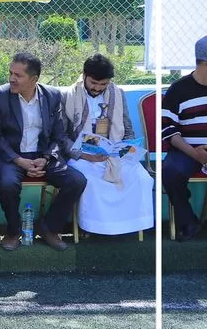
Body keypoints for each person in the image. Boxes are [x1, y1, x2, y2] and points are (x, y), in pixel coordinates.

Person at [0, 52, 86, 251]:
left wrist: (46, 158)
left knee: (76, 181)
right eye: (10, 73)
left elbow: (59, 135)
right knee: (7, 184)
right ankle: (14, 231)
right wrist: (18, 160)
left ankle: (49, 227)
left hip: (42, 155)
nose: (11, 79)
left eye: (18, 75)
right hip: (10, 156)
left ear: (34, 79)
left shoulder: (52, 96)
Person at [63, 54, 154, 236]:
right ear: (84, 76)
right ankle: (91, 227)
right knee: (91, 181)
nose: (97, 88)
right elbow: (62, 136)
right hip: (82, 155)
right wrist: (84, 155)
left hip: (113, 152)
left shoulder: (117, 94)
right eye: (93, 83)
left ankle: (130, 225)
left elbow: (127, 128)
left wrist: (127, 149)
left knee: (141, 178)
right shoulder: (68, 96)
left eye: (103, 84)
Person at [161, 34, 207, 242]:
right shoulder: (178, 89)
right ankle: (188, 222)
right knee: (171, 171)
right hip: (186, 149)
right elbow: (168, 130)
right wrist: (195, 153)